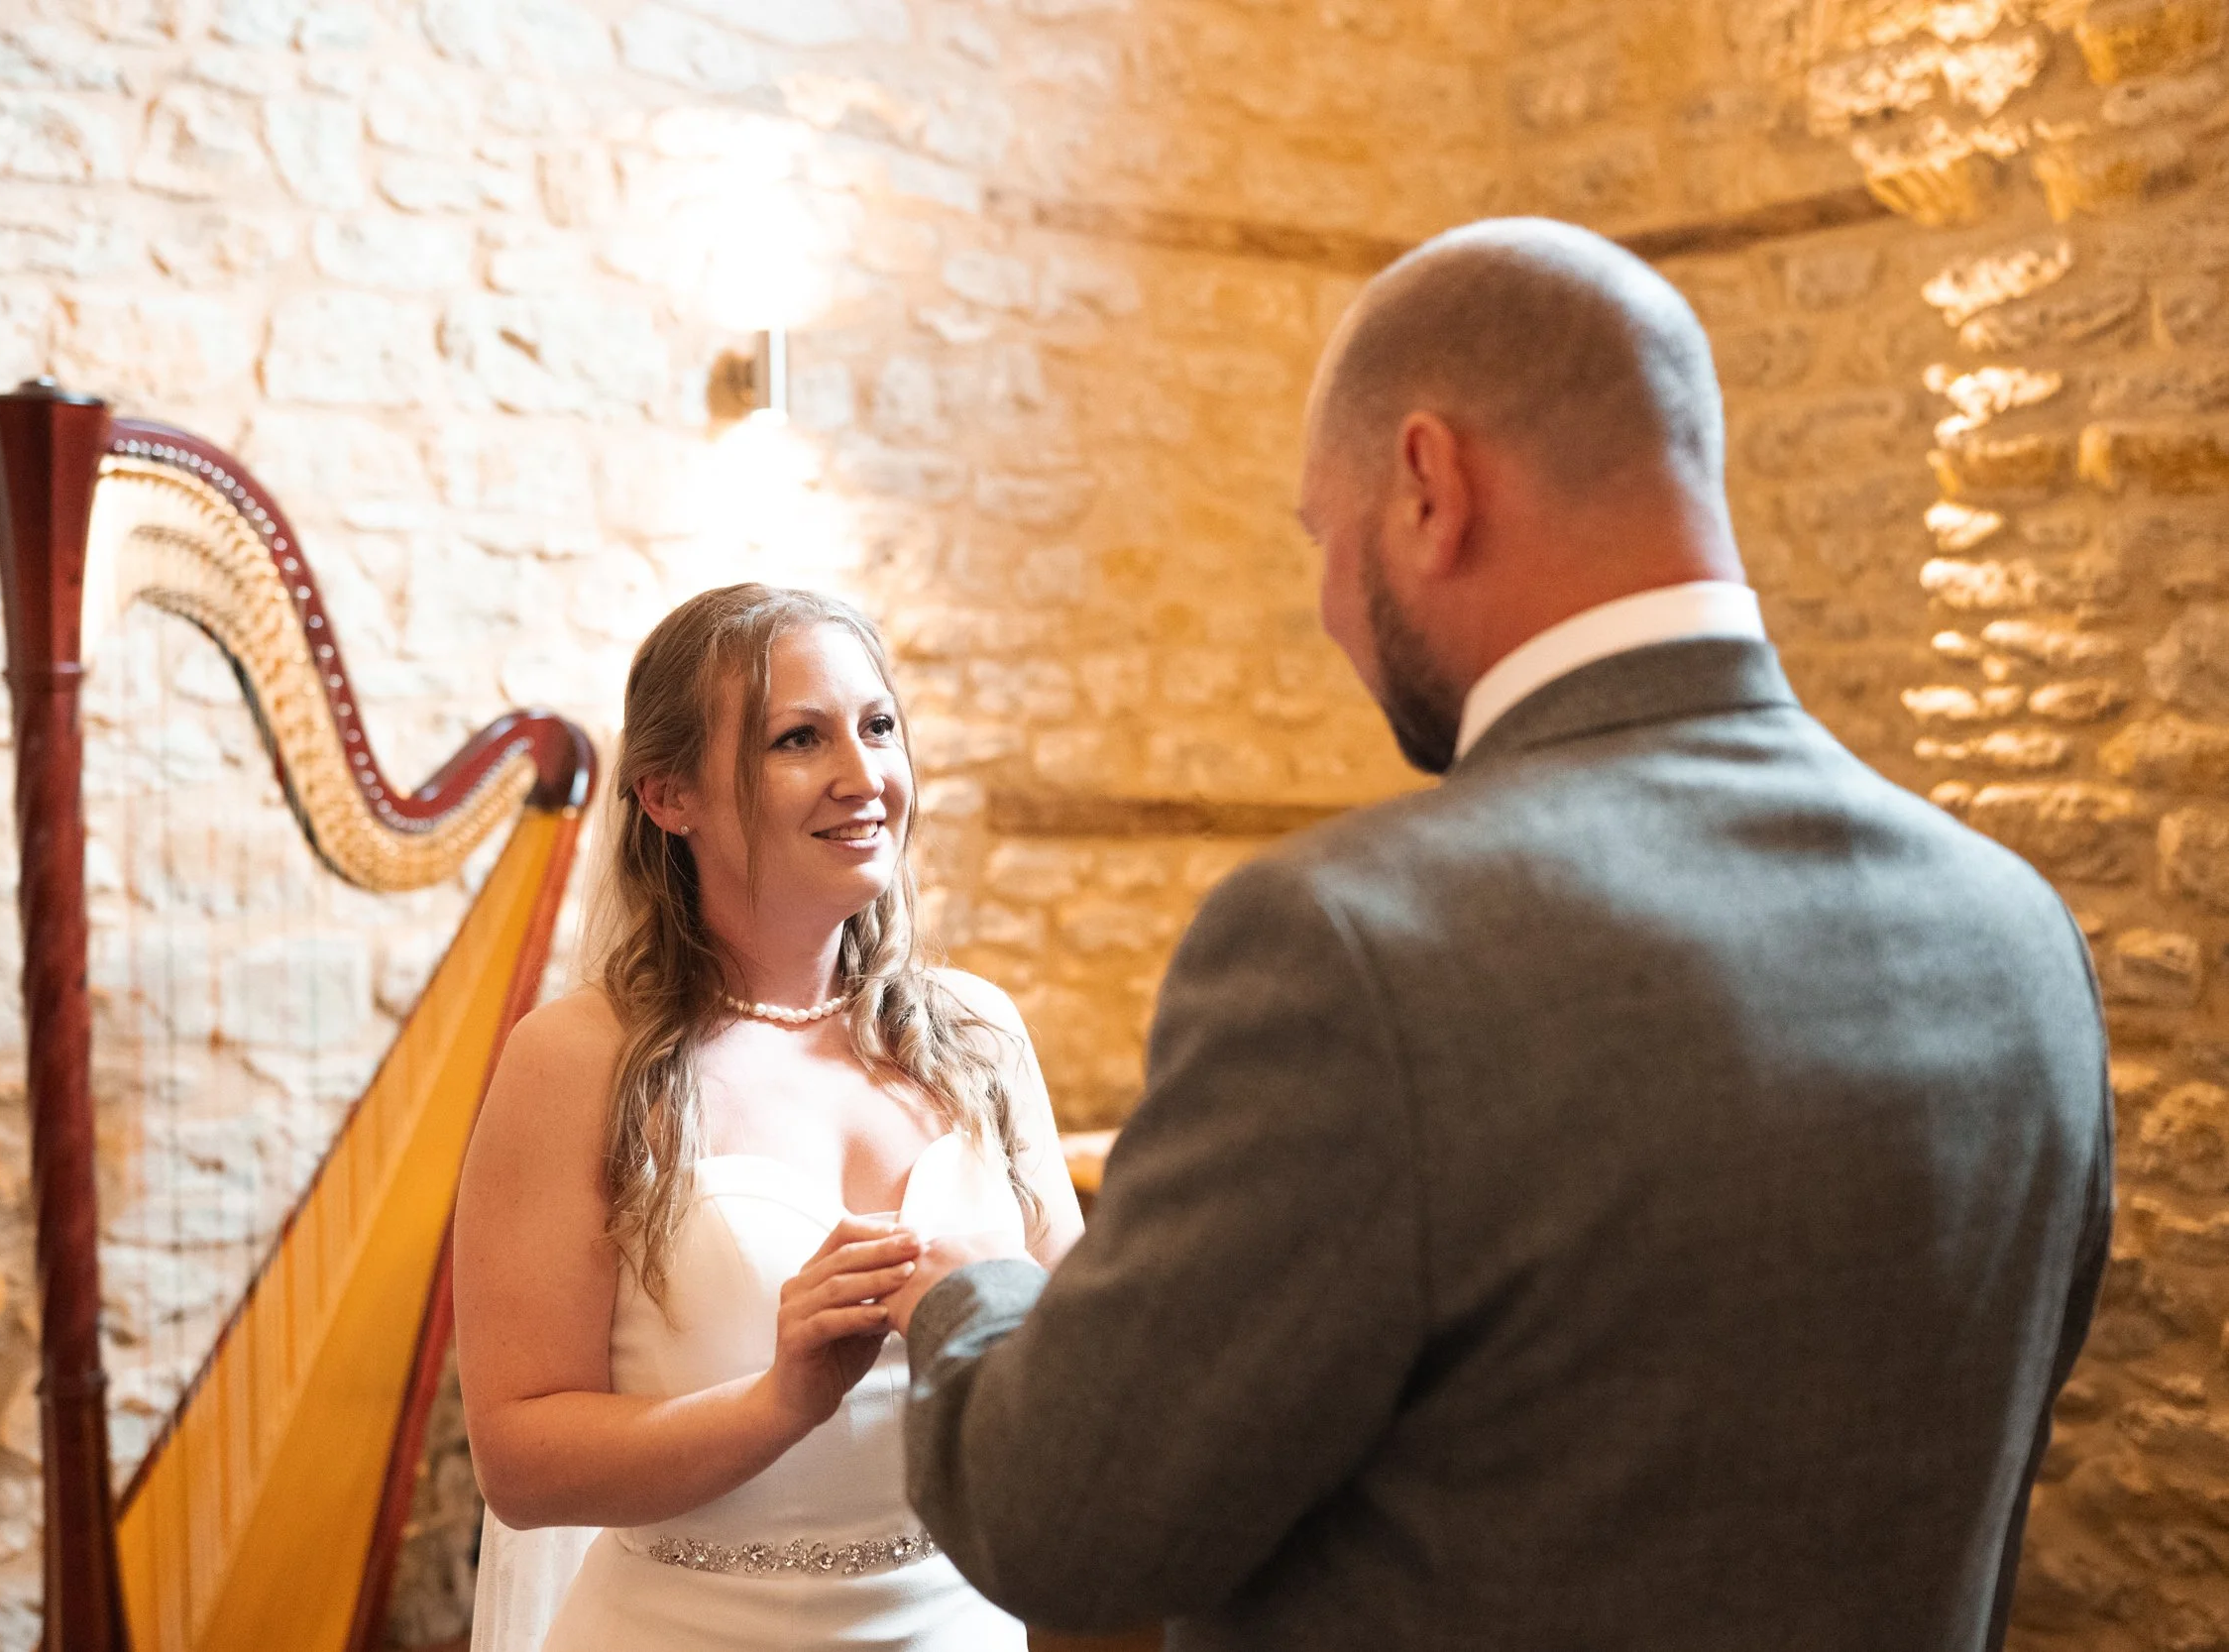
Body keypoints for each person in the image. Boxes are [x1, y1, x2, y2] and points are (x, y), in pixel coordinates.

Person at [885, 217, 2114, 1650]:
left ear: (1427, 486)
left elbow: (1062, 1519)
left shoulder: (1355, 943)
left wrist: (973, 1290)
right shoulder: (2020, 931)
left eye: (1321, 540)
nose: (1336, 611)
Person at [455, 584, 1083, 1652]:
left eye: (877, 725)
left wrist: (1020, 1299)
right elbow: (520, 1461)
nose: (864, 775)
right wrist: (780, 1398)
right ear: (667, 795)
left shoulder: (979, 1030)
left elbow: (1086, 1369)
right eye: (800, 737)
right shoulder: (576, 1060)